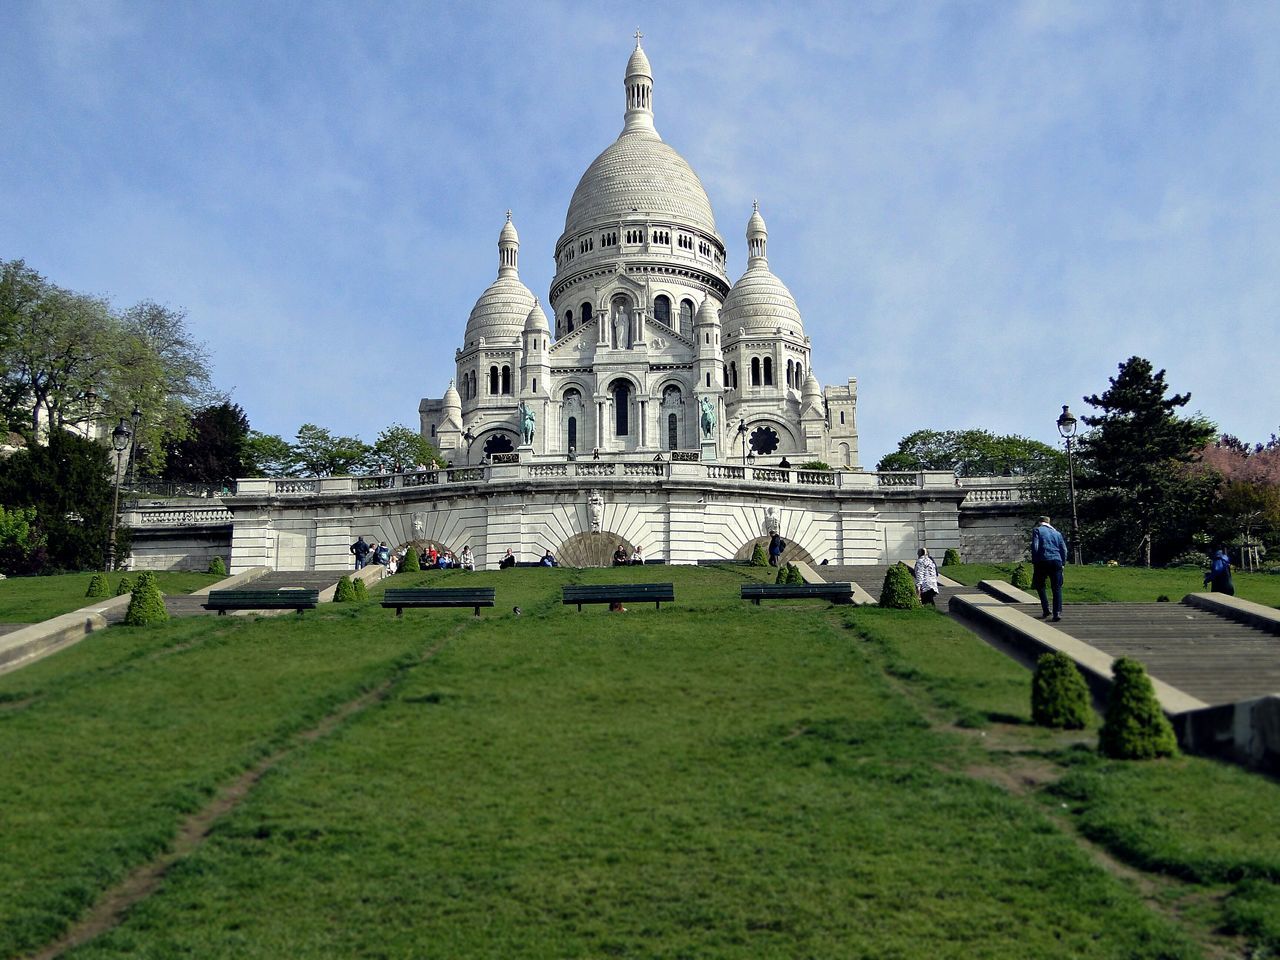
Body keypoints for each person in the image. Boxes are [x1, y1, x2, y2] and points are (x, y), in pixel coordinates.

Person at [1030, 516, 1068, 621]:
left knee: (1040, 585)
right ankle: (1057, 612)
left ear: (1039, 522)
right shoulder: (1057, 533)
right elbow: (1064, 549)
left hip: (1042, 560)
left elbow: (1035, 546)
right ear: (1048, 522)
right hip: (1057, 561)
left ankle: (1046, 609)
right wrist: (1063, 563)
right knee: (1057, 588)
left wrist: (1034, 560)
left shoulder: (1037, 530)